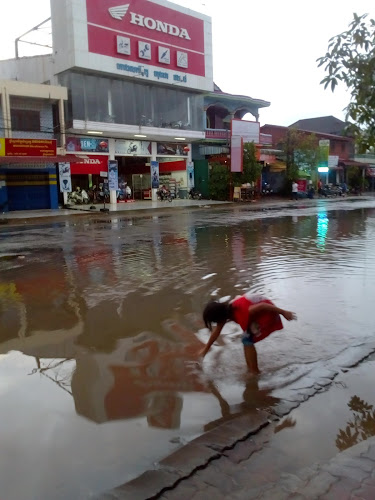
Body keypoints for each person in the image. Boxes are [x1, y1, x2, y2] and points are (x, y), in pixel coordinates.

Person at [201, 294, 297, 374]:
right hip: (258, 313)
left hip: (267, 313)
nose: (216, 324)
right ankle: (251, 369)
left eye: (215, 321)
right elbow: (216, 333)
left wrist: (284, 312)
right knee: (246, 339)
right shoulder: (226, 311)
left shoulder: (242, 311)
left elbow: (263, 306)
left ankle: (255, 371)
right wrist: (205, 351)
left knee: (246, 339)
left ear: (219, 317)